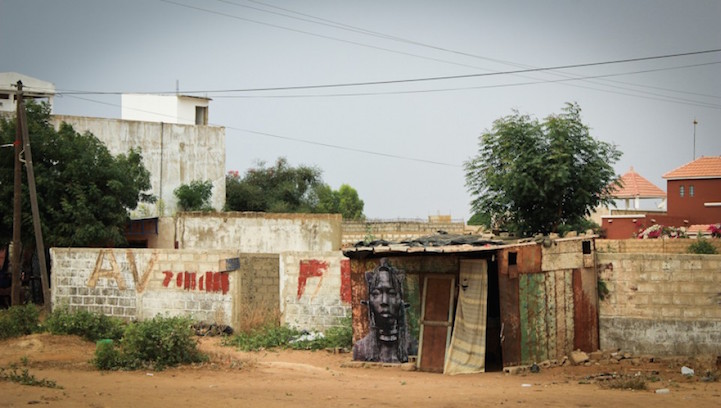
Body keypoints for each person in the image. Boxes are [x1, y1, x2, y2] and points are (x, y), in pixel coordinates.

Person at [353, 262, 413, 363]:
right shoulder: (360, 348)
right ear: (369, 301)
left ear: (401, 300)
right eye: (376, 293)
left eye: (392, 293)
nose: (384, 301)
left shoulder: (414, 347)